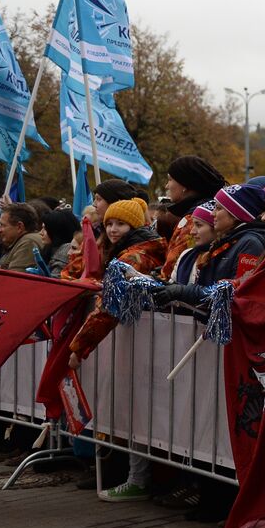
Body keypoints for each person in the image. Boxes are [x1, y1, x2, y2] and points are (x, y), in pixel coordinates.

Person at [66, 197, 167, 501]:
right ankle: (134, 476)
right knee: (129, 412)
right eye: (109, 223)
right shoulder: (119, 250)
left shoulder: (134, 257)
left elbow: (108, 306)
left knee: (138, 413)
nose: (112, 229)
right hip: (132, 345)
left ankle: (139, 479)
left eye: (120, 223)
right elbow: (76, 271)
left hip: (144, 345)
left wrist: (80, 345)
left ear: (135, 225)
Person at [159, 156, 226, 281]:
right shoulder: (195, 214)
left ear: (185, 184)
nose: (167, 186)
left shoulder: (193, 221)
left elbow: (170, 270)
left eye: (170, 179)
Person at [196, 183, 265, 286]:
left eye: (218, 208)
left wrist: (182, 291)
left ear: (236, 214)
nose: (212, 213)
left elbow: (235, 293)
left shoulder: (250, 244)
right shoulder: (228, 240)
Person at [170, 201, 217, 285]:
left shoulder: (222, 257)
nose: (192, 232)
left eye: (198, 225)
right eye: (193, 225)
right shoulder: (186, 255)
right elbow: (172, 285)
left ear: (215, 227)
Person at [0, 203, 46, 272]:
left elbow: (14, 279)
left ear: (19, 227)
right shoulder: (23, 241)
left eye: (2, 225)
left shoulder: (28, 243)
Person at [40, 208, 81, 277]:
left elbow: (52, 283)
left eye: (45, 229)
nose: (40, 232)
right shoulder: (49, 249)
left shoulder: (65, 253)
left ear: (57, 231)